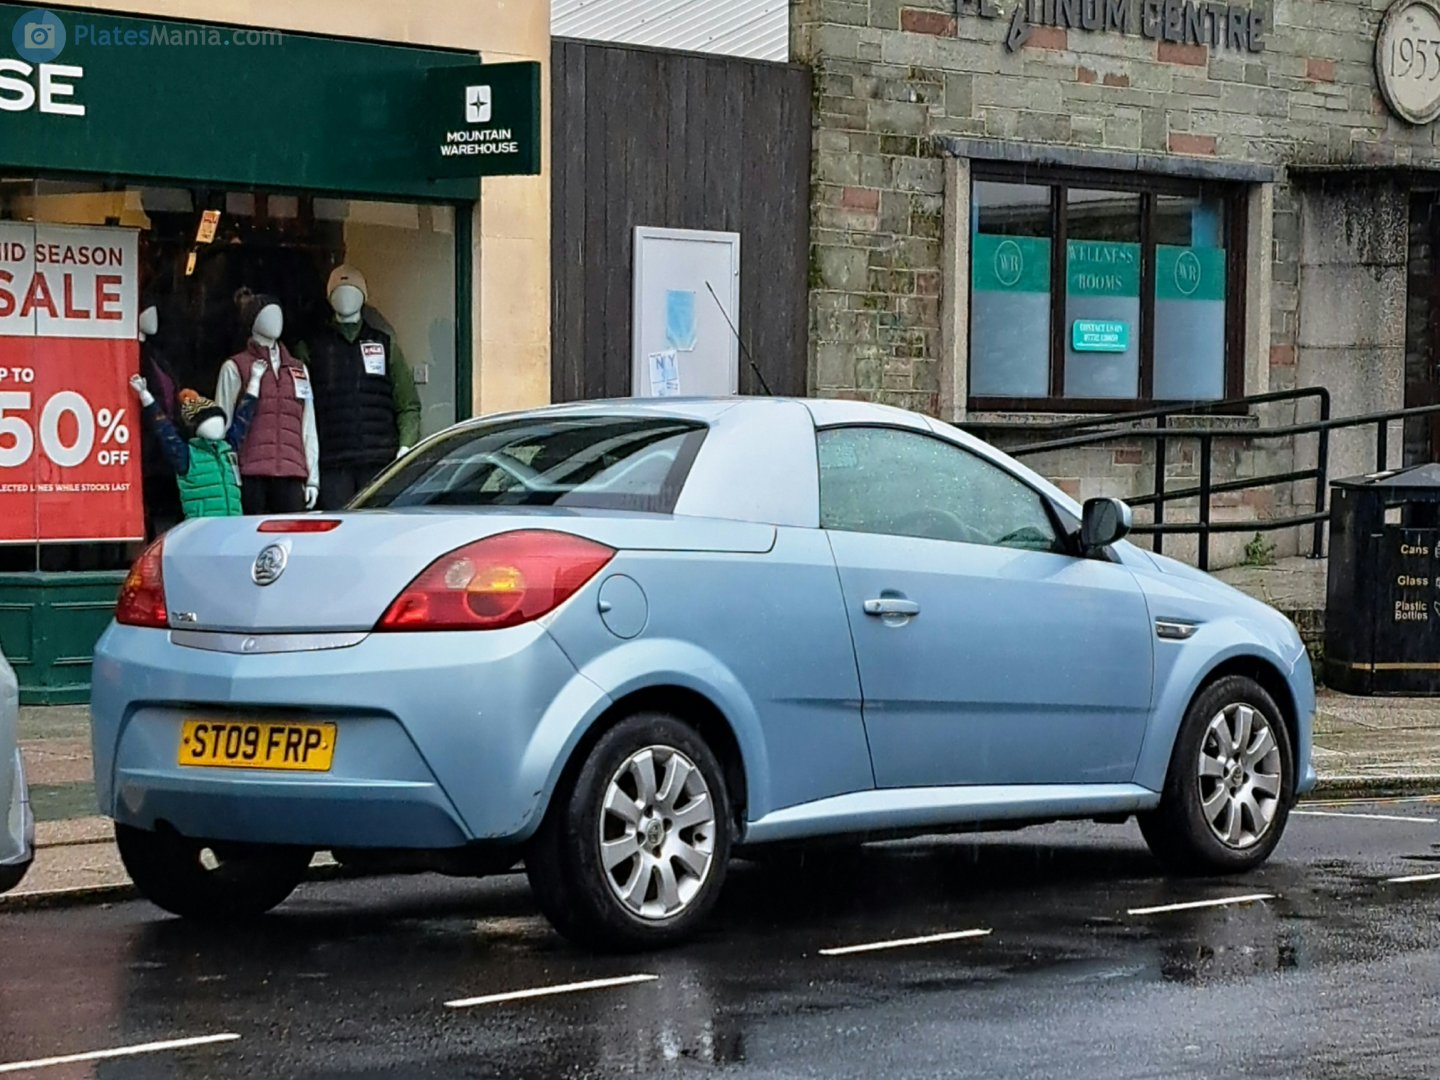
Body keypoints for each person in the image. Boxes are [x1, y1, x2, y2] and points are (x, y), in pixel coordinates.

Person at [130, 359, 266, 520]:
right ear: (196, 428)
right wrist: (146, 396)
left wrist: (255, 381)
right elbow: (165, 431)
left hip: (233, 525)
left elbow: (243, 419)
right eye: (210, 422)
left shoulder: (227, 450)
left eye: (219, 421)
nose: (217, 426)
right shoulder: (187, 456)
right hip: (202, 528)